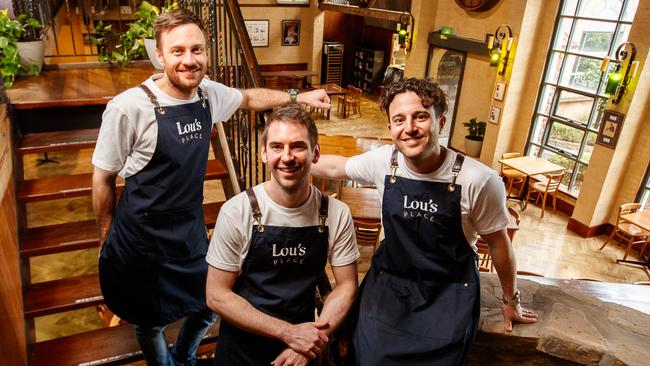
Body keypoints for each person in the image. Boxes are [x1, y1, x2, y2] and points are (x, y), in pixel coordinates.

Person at [91, 9, 330, 366]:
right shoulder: (128, 108)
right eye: (178, 51)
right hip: (141, 237)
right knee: (149, 319)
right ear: (159, 54)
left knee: (208, 305)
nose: (189, 60)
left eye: (197, 50)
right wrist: (106, 236)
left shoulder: (207, 95)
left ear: (207, 53)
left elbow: (250, 99)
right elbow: (102, 177)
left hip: (187, 230)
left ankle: (185, 355)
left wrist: (299, 98)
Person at [311, 78, 538, 365]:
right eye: (399, 120)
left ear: (440, 122)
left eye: (421, 117)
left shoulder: (479, 180)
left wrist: (510, 300)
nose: (410, 128)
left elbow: (499, 244)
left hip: (449, 292)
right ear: (391, 128)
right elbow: (335, 166)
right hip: (390, 284)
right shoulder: (385, 161)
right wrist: (294, 157)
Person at [205, 105, 359, 366]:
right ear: (264, 153)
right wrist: (290, 333)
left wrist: (312, 339)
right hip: (242, 350)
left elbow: (347, 285)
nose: (287, 157)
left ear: (315, 153)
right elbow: (217, 294)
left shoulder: (335, 213)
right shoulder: (237, 211)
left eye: (298, 146)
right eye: (277, 147)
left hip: (304, 348)